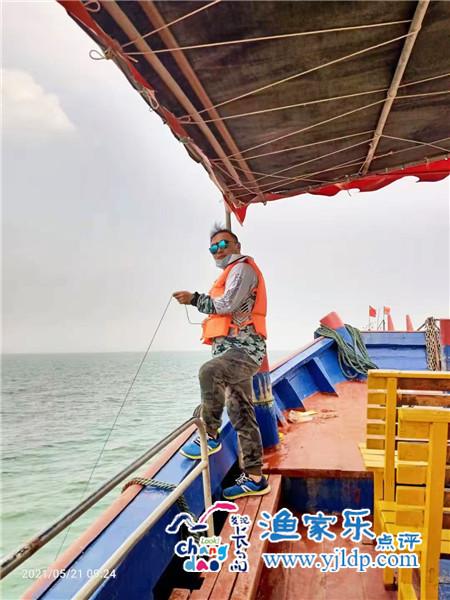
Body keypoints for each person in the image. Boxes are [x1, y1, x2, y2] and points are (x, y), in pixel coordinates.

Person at [173, 226, 271, 499]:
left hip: (243, 350)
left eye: (224, 244)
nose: (219, 250)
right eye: (213, 247)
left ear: (237, 245)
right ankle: (255, 479)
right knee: (241, 414)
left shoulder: (242, 269)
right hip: (232, 353)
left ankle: (211, 435)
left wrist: (193, 299)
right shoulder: (230, 273)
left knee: (209, 371)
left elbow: (227, 304)